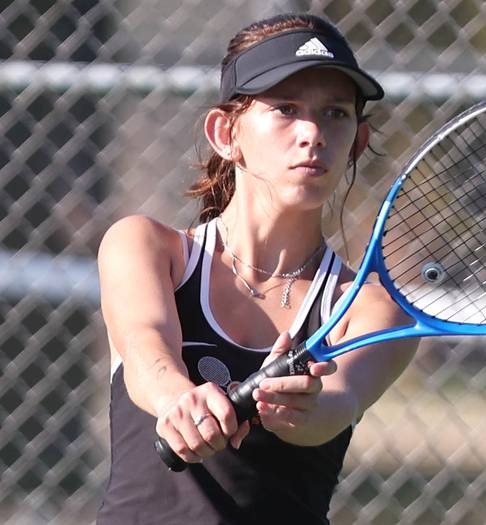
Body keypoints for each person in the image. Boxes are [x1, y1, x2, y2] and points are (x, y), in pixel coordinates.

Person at [96, 13, 418, 524]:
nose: (313, 133)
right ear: (226, 133)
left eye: (335, 113)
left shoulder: (375, 309)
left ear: (358, 140)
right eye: (286, 109)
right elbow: (145, 353)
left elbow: (339, 402)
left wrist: (307, 410)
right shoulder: (146, 247)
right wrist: (178, 400)